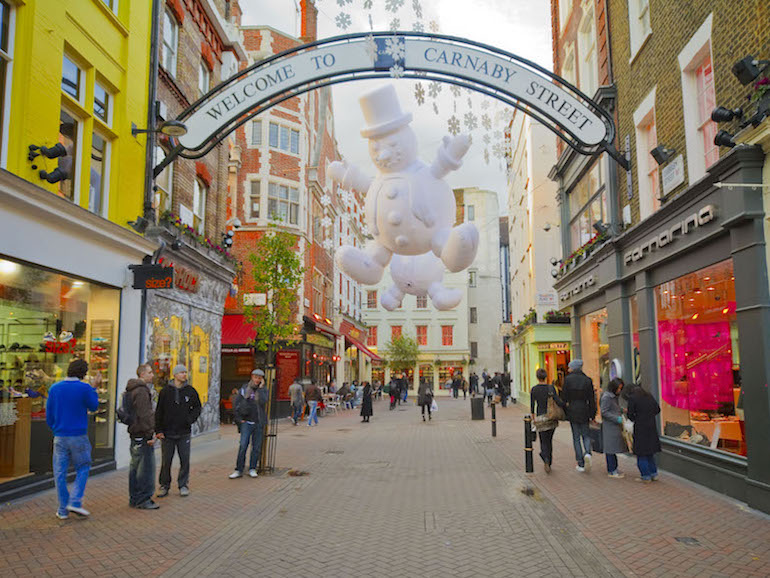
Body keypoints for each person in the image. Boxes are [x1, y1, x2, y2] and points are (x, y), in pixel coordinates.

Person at [46, 359, 99, 519]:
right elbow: (94, 406)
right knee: (83, 467)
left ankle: (63, 509)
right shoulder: (84, 388)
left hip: (60, 435)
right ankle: (75, 502)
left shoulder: (55, 388)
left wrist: (55, 428)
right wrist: (94, 387)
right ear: (83, 373)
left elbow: (49, 414)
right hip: (78, 434)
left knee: (60, 472)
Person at [155, 364, 202, 498]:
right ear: (175, 375)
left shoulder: (190, 391)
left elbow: (197, 407)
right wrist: (158, 429)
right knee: (166, 461)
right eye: (181, 372)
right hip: (168, 432)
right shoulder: (165, 391)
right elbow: (159, 411)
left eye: (185, 372)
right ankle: (164, 485)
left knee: (184, 459)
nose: (184, 375)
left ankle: (183, 484)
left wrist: (190, 419)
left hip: (184, 431)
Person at [127, 364, 159, 509]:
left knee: (135, 466)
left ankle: (135, 498)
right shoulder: (141, 391)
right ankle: (143, 499)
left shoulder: (132, 389)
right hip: (142, 433)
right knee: (145, 467)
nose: (152, 375)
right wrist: (150, 433)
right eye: (150, 372)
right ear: (142, 374)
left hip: (135, 433)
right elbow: (145, 414)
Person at [229, 369, 268, 479]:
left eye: (259, 378)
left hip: (258, 422)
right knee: (243, 446)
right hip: (246, 422)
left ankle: (252, 468)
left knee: (256, 447)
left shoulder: (263, 390)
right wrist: (239, 419)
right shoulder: (244, 388)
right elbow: (237, 403)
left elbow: (264, 401)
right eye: (255, 377)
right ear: (252, 377)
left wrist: (260, 389)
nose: (257, 380)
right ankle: (239, 469)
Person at [561, 359, 596, 473]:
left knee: (576, 437)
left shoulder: (567, 380)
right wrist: (592, 414)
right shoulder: (587, 380)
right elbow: (591, 399)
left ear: (573, 367)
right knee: (586, 435)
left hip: (573, 409)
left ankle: (580, 462)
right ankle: (587, 452)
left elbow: (564, 397)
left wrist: (565, 411)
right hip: (584, 409)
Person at [530, 368, 565, 473]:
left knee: (543, 440)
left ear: (537, 377)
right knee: (549, 440)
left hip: (540, 418)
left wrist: (533, 417)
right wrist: (565, 405)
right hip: (551, 417)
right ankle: (549, 461)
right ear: (546, 377)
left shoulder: (534, 389)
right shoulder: (551, 388)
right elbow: (558, 401)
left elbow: (532, 405)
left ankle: (545, 457)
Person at [626, 384, 662, 483]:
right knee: (650, 452)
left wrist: (636, 417)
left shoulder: (632, 398)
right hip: (651, 427)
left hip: (640, 428)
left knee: (641, 453)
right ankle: (654, 474)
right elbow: (657, 409)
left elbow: (630, 415)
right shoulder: (649, 396)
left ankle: (645, 476)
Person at [600, 378, 626, 479]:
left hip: (614, 425)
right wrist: (616, 418)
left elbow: (612, 408)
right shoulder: (607, 397)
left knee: (613, 448)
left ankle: (614, 468)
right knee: (610, 448)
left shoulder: (613, 396)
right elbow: (604, 411)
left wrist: (622, 410)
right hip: (610, 426)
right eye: (618, 388)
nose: (619, 390)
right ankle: (612, 470)